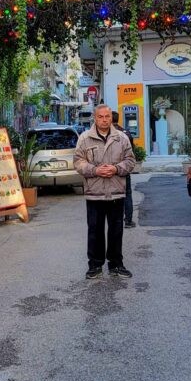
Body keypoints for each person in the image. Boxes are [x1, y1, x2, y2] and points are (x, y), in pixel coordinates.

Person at [74, 104, 136, 279]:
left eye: (107, 116)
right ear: (95, 118)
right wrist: (95, 170)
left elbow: (131, 161)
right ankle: (95, 265)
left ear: (111, 118)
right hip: (95, 192)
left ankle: (116, 264)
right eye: (100, 116)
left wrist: (116, 169)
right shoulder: (85, 138)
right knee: (95, 230)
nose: (104, 120)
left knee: (116, 230)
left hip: (116, 191)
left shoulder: (122, 138)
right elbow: (78, 162)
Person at [111, 110, 135, 227]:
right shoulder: (126, 133)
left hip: (110, 169)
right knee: (127, 194)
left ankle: (115, 220)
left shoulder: (108, 134)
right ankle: (128, 221)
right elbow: (131, 151)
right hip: (124, 168)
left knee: (111, 195)